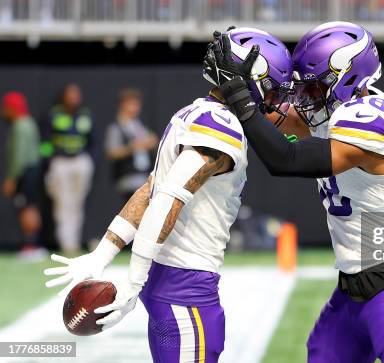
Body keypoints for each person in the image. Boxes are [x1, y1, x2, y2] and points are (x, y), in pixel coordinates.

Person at [43, 28, 292, 363]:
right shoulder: (221, 126)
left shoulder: (194, 112)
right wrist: (131, 282)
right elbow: (165, 199)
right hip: (186, 286)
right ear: (252, 78)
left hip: (167, 280)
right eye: (273, 86)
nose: (275, 98)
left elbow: (150, 190)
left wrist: (102, 255)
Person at [206, 22, 384, 362]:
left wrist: (240, 98)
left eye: (314, 89)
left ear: (347, 79)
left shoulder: (374, 117)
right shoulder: (330, 110)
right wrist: (240, 83)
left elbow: (286, 158)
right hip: (352, 286)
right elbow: (269, 119)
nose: (304, 98)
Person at [42, 83, 95, 254]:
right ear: (63, 96)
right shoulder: (54, 114)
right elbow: (45, 142)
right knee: (63, 203)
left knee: (77, 203)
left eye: (76, 93)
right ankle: (66, 243)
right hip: (60, 163)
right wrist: (50, 159)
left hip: (80, 161)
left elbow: (92, 141)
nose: (74, 97)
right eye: (70, 94)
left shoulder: (85, 115)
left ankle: (74, 242)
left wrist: (90, 159)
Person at [1, 91, 45, 260]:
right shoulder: (28, 123)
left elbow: (19, 155)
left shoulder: (20, 125)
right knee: (30, 207)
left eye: (5, 108)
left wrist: (12, 178)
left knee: (26, 208)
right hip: (30, 172)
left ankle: (31, 246)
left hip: (25, 173)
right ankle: (34, 245)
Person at [105, 88, 158, 203]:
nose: (136, 107)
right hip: (128, 178)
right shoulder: (116, 128)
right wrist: (132, 147)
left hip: (145, 177)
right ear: (123, 105)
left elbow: (150, 141)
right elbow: (112, 153)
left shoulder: (140, 125)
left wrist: (152, 142)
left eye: (137, 104)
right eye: (132, 104)